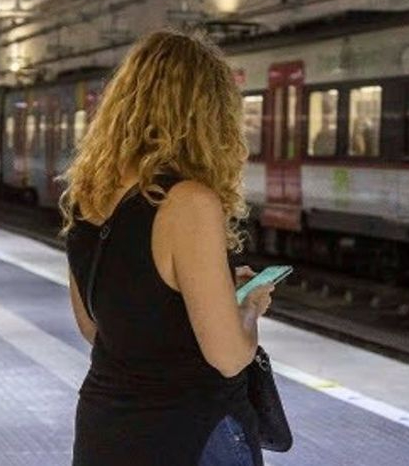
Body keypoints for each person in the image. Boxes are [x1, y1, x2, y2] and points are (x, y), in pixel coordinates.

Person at [59, 31, 273, 466]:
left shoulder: (88, 197)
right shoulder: (188, 202)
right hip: (191, 434)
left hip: (105, 430)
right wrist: (249, 306)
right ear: (208, 115)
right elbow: (229, 357)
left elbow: (94, 327)